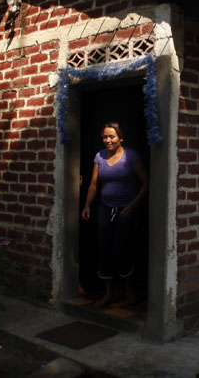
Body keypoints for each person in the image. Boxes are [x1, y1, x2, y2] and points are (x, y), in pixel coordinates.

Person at [81, 122, 148, 307]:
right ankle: (109, 294)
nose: (108, 140)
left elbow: (146, 183)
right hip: (105, 208)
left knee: (121, 250)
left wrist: (133, 205)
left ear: (120, 138)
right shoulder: (99, 157)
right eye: (105, 136)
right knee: (104, 249)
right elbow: (94, 185)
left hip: (125, 209)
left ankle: (129, 294)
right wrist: (87, 205)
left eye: (112, 136)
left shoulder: (130, 155)